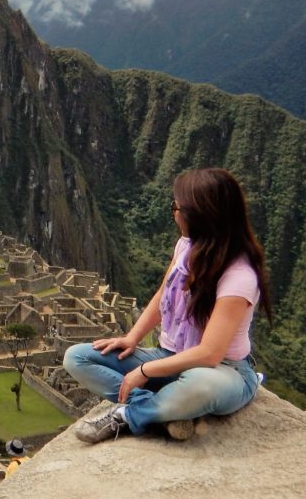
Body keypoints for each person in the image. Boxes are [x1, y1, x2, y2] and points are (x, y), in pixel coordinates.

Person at [63, 168, 271, 443]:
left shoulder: (239, 277)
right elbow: (164, 294)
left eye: (177, 207)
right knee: (77, 357)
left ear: (199, 215)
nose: (174, 212)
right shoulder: (186, 247)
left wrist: (144, 371)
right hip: (169, 356)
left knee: (201, 386)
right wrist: (132, 337)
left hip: (223, 370)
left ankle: (129, 414)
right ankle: (163, 409)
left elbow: (210, 354)